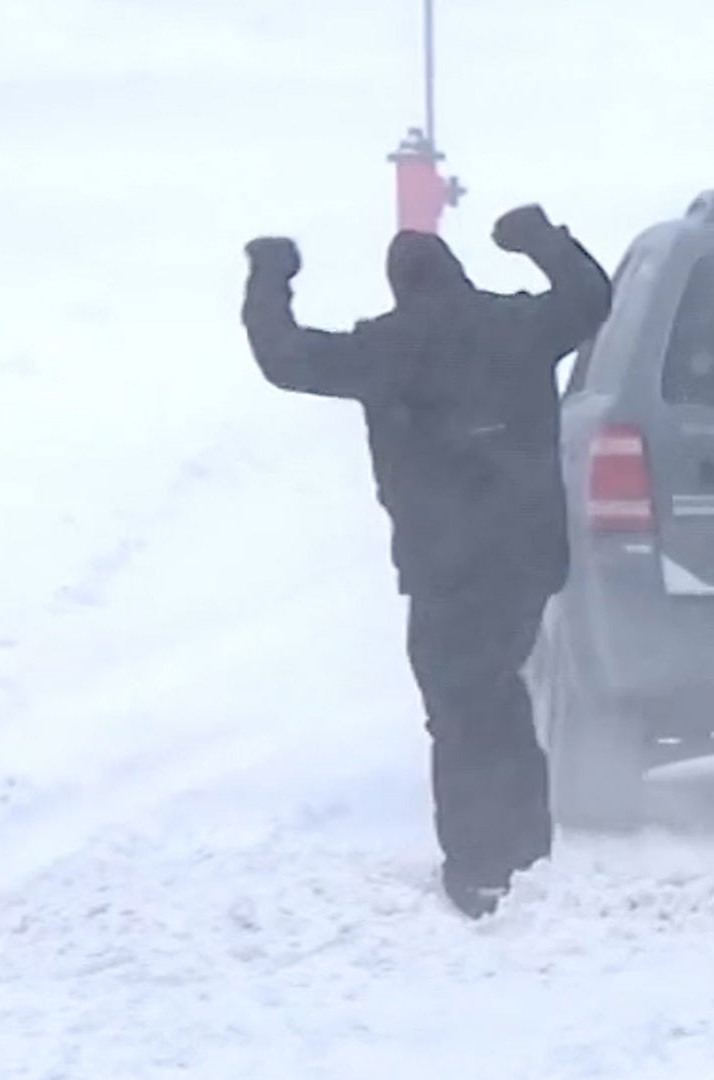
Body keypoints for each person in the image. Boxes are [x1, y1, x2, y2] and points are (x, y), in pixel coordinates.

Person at [239, 204, 613, 916]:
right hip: (527, 555)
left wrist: (270, 273)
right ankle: (523, 853)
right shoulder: (516, 326)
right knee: (497, 693)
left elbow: (282, 357)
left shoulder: (386, 349)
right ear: (456, 273)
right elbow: (590, 298)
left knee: (461, 710)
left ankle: (480, 865)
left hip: (447, 563)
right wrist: (536, 236)